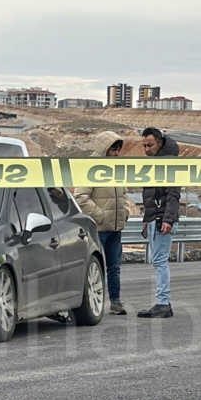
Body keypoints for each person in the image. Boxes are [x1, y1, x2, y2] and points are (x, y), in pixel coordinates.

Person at [73, 133, 130, 314]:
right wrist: (101, 216)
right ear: (104, 148)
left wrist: (126, 212)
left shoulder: (116, 170)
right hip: (98, 229)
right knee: (93, 268)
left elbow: (124, 195)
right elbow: (81, 197)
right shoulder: (91, 169)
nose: (116, 153)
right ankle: (89, 305)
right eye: (113, 149)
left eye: (118, 149)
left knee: (114, 267)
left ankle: (115, 302)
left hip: (115, 228)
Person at [137, 127, 181, 319]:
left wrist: (168, 219)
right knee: (158, 261)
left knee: (160, 261)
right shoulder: (155, 163)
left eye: (150, 145)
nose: (146, 149)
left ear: (160, 142)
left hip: (162, 219)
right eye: (144, 145)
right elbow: (150, 194)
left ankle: (162, 302)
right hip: (155, 219)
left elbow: (173, 194)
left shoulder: (169, 163)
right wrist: (147, 219)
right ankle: (163, 302)